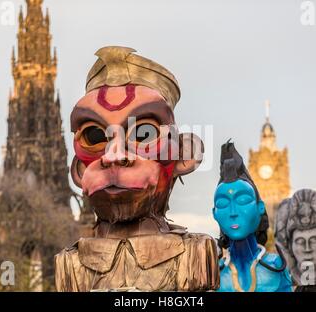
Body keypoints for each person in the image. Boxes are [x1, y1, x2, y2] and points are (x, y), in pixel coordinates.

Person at [54, 46, 219, 292]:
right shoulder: (71, 263)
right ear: (78, 171)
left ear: (184, 155)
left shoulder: (195, 254)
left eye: (144, 133)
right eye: (95, 134)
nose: (114, 155)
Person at [213, 141, 292, 292]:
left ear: (260, 208)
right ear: (214, 213)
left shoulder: (276, 266)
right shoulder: (212, 274)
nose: (233, 211)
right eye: (223, 203)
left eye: (243, 200)